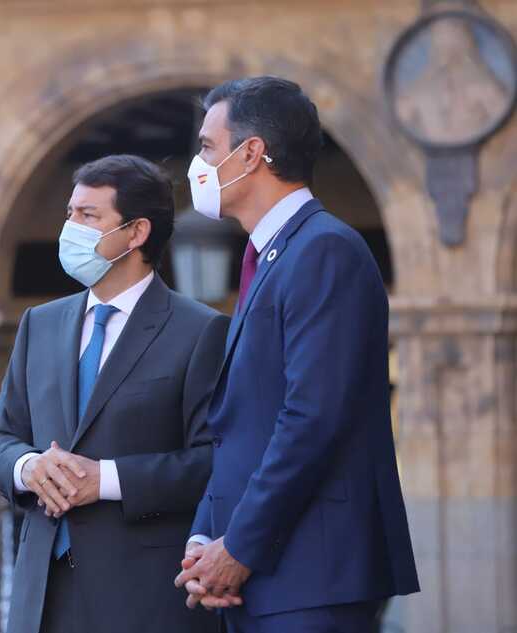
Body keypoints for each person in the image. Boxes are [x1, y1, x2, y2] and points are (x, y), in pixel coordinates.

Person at [174, 77, 420, 632]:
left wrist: (238, 546)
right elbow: (238, 425)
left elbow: (312, 418)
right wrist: (204, 540)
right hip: (263, 576)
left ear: (253, 153)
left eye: (208, 147)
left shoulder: (323, 250)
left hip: (311, 573)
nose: (198, 164)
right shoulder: (273, 257)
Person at [0, 154, 229, 633]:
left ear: (136, 233)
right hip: (42, 594)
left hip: (143, 596)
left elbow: (213, 460)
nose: (70, 228)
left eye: (88, 216)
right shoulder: (40, 324)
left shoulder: (201, 331)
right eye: (70, 214)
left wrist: (107, 479)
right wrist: (29, 467)